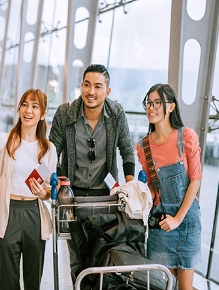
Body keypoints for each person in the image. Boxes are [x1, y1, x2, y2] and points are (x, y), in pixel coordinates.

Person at [48, 64, 136, 283]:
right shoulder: (65, 113)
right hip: (72, 198)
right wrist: (61, 182)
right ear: (81, 86)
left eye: (98, 86)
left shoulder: (116, 114)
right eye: (87, 85)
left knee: (102, 255)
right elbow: (51, 152)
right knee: (77, 258)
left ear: (108, 90)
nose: (91, 91)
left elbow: (127, 150)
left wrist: (130, 185)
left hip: (105, 199)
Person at [0, 89, 57, 290]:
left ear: (42, 115)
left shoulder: (48, 149)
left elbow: (50, 188)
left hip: (34, 214)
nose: (28, 110)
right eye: (25, 104)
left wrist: (44, 194)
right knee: (7, 279)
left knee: (33, 279)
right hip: (8, 212)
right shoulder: (8, 141)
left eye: (35, 106)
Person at [136, 84, 202, 290]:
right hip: (162, 224)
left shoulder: (187, 138)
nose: (151, 108)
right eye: (149, 103)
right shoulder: (144, 146)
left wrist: (178, 219)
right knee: (162, 285)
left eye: (157, 103)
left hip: (187, 222)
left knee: (185, 287)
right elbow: (152, 188)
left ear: (171, 107)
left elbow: (195, 180)